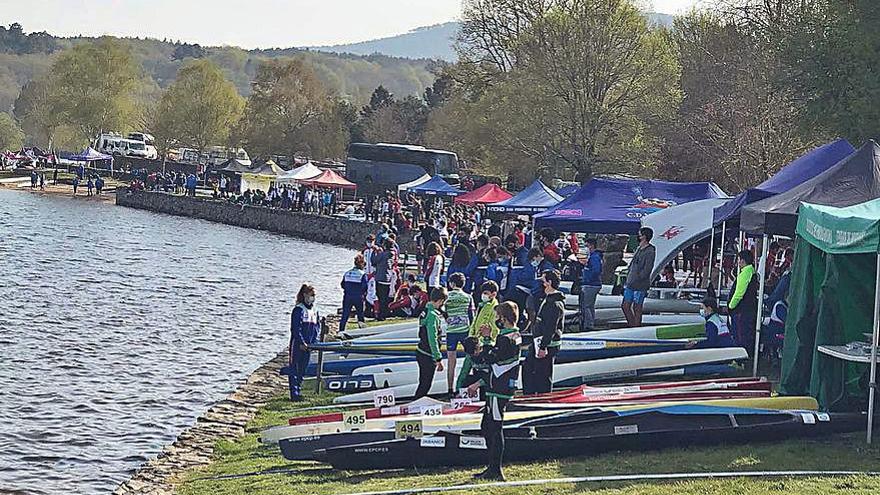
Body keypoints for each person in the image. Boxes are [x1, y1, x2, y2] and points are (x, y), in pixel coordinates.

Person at [461, 301, 522, 481]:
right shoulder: (515, 334)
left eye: (497, 317)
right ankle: (491, 466)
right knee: (486, 426)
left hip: (499, 388)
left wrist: (484, 342)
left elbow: (489, 358)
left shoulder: (505, 338)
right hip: (500, 386)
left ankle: (495, 469)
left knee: (495, 428)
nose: (496, 320)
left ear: (503, 318)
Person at [523, 270, 565, 395]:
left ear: (549, 283)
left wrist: (543, 347)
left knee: (543, 375)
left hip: (546, 345)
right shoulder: (547, 299)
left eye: (543, 281)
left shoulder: (554, 304)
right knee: (528, 368)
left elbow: (550, 328)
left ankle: (544, 396)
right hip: (538, 342)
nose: (541, 284)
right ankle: (530, 394)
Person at [456, 280, 501, 390]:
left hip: (484, 346)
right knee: (466, 372)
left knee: (487, 372)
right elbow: (475, 323)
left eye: (486, 293)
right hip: (474, 344)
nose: (483, 295)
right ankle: (459, 391)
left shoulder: (495, 308)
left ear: (493, 294)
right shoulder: (482, 305)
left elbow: (494, 329)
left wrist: (487, 341)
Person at [444, 272, 475, 395]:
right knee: (471, 357)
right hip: (465, 330)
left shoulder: (447, 296)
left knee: (451, 361)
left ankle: (450, 388)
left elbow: (442, 310)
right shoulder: (468, 297)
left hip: (451, 331)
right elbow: (471, 315)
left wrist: (448, 318)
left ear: (452, 284)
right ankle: (467, 383)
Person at [289, 284, 320, 401]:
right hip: (297, 344)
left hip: (309, 344)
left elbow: (317, 327)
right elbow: (296, 328)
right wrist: (301, 342)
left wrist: (313, 342)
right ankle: (294, 394)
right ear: (305, 295)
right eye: (311, 295)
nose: (313, 297)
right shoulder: (299, 309)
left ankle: (299, 389)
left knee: (303, 369)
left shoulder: (314, 310)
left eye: (314, 295)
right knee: (294, 368)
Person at [415, 287, 447, 399]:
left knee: (423, 382)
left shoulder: (426, 310)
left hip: (421, 351)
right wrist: (438, 358)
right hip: (427, 354)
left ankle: (417, 401)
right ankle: (416, 404)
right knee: (425, 384)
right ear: (440, 301)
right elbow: (432, 337)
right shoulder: (433, 316)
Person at [621, 227, 656, 327]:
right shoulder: (638, 248)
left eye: (640, 234)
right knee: (625, 306)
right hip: (630, 283)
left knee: (637, 307)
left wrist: (639, 277)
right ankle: (631, 324)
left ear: (644, 236)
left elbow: (647, 268)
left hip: (640, 284)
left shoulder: (650, 251)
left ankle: (636, 326)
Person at [729, 249, 758, 353]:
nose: (738, 262)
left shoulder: (746, 273)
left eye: (738, 259)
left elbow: (739, 293)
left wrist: (731, 306)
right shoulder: (751, 271)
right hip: (748, 310)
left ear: (742, 260)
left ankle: (740, 358)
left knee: (740, 335)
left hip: (741, 310)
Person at [578, 238, 603, 331]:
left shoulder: (594, 257)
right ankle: (590, 323)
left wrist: (587, 276)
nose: (586, 248)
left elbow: (596, 270)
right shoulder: (594, 256)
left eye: (587, 245)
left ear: (591, 246)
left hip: (591, 284)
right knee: (590, 305)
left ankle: (588, 325)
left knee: (587, 306)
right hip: (593, 283)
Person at [339, 255, 368, 332]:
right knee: (360, 314)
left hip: (347, 296)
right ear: (362, 264)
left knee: (345, 314)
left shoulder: (347, 273)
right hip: (358, 297)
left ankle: (341, 331)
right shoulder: (362, 274)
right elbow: (365, 287)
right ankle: (362, 331)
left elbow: (342, 285)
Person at [370, 239, 394, 320]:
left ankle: (381, 315)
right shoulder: (392, 254)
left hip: (380, 278)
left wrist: (375, 251)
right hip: (388, 278)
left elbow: (373, 261)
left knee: (380, 297)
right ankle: (384, 314)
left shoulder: (383, 255)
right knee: (385, 297)